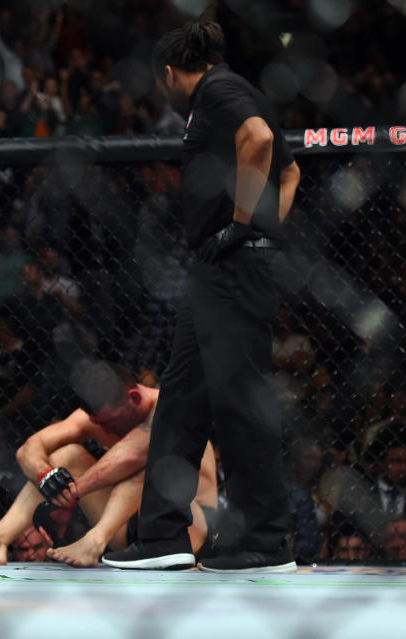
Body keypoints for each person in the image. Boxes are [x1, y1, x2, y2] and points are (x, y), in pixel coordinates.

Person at [102, 20, 301, 573]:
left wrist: (244, 228)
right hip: (218, 270)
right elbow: (291, 173)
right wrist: (263, 230)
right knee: (182, 403)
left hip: (233, 270)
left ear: (169, 73)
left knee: (239, 403)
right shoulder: (228, 94)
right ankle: (163, 535)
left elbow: (260, 141)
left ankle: (264, 541)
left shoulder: (218, 90)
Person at [0, 361, 216, 567]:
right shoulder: (100, 417)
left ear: (134, 398)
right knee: (68, 456)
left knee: (153, 462)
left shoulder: (168, 408)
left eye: (111, 422)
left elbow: (131, 456)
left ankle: (94, 541)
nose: (106, 431)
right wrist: (46, 476)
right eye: (100, 424)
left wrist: (70, 493)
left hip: (190, 529)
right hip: (129, 528)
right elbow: (29, 448)